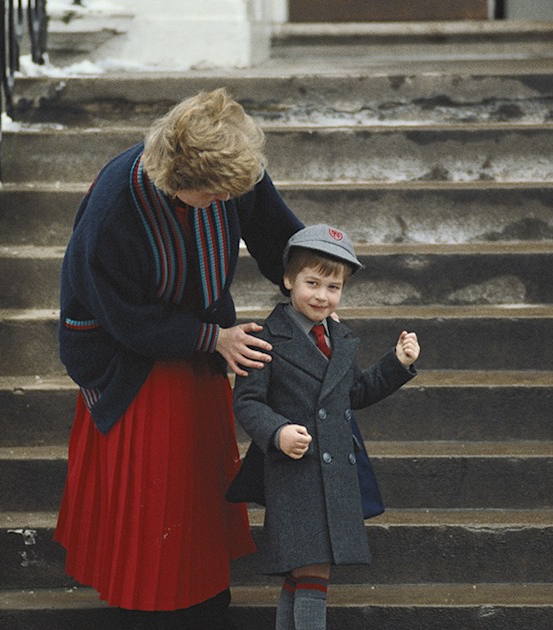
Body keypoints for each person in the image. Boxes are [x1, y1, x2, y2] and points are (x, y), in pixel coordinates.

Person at [54, 88, 304, 628]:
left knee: (198, 482)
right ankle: (152, 607)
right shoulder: (114, 208)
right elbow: (124, 317)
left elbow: (277, 234)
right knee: (158, 488)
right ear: (176, 180)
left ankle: (203, 593)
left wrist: (312, 281)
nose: (226, 202)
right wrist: (213, 338)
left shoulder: (230, 171)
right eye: (213, 195)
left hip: (196, 335)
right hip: (127, 353)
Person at [228, 224, 419, 630]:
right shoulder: (266, 337)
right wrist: (277, 432)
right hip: (294, 474)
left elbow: (355, 392)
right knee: (314, 570)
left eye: (333, 287)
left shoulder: (339, 338)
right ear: (288, 280)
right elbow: (247, 401)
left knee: (304, 573)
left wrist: (397, 363)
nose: (322, 296)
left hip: (334, 477)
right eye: (312, 283)